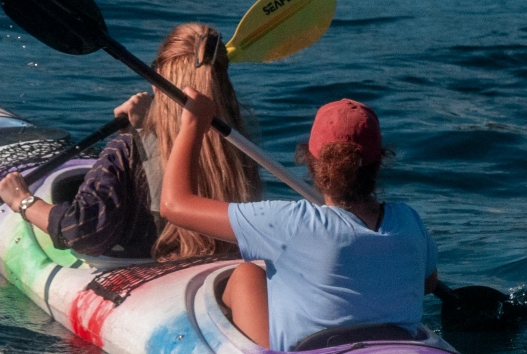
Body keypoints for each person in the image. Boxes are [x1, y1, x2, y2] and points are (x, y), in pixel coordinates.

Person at [159, 93, 440, 351]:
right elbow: (427, 284)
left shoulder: (289, 223)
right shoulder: (408, 220)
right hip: (409, 347)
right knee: (252, 274)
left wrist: (194, 124)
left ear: (311, 161)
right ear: (379, 162)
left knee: (247, 274)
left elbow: (174, 205)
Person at [0, 23, 261, 263]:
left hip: (149, 272)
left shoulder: (125, 152)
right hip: (220, 264)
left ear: (158, 83)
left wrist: (23, 201)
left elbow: (83, 232)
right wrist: (145, 130)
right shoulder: (241, 147)